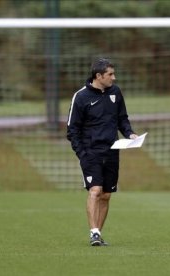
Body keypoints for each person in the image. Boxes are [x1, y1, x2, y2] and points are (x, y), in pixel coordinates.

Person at [67, 58, 138, 246]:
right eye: (110, 75)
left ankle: (97, 234)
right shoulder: (80, 97)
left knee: (106, 195)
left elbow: (122, 119)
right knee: (95, 190)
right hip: (91, 152)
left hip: (113, 151)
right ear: (98, 76)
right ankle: (94, 232)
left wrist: (130, 134)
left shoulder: (115, 92)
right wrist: (82, 153)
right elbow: (72, 130)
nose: (114, 78)